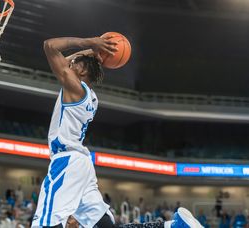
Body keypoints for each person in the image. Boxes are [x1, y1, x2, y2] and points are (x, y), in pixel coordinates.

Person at [31, 36, 203, 228]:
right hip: (80, 164)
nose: (70, 63)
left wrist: (90, 42)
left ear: (83, 70)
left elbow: (49, 46)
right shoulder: (88, 95)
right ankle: (172, 226)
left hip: (66, 161)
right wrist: (96, 51)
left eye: (75, 63)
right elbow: (66, 58)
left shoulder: (75, 88)